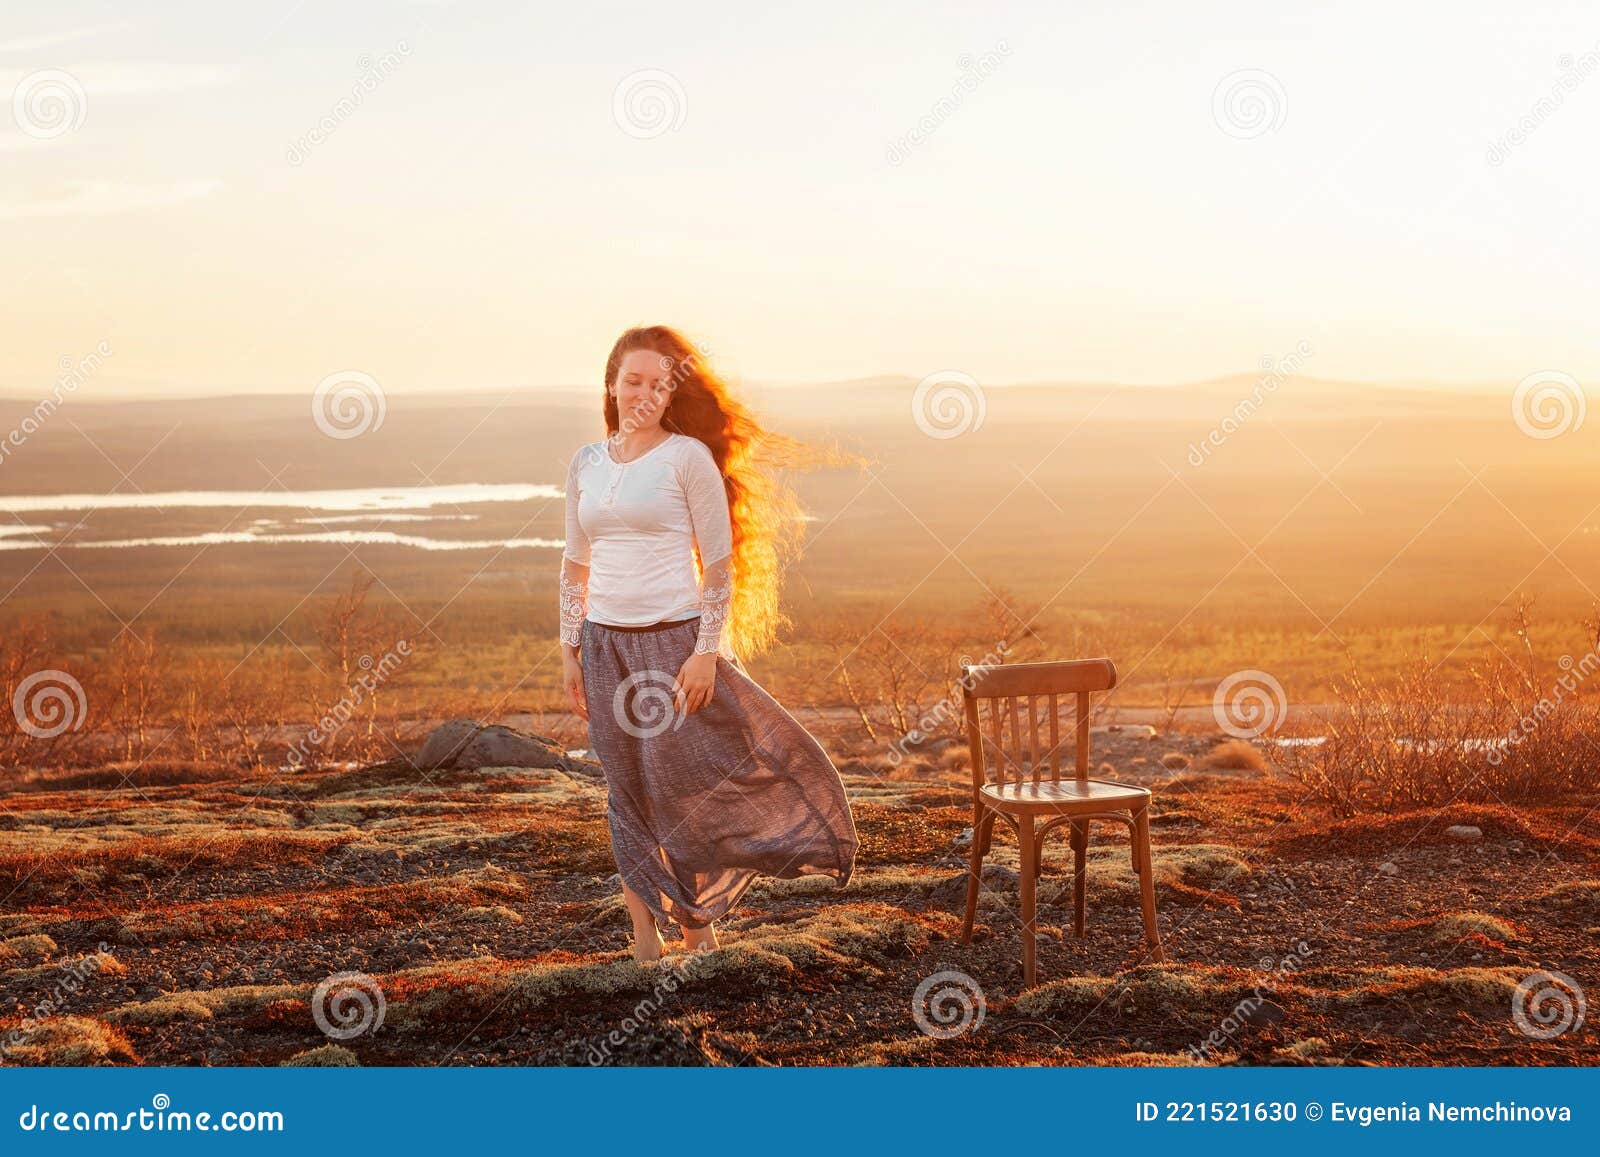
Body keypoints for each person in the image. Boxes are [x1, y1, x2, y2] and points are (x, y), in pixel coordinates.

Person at [559, 325, 859, 964]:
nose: (641, 392)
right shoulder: (585, 463)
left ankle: (698, 929)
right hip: (603, 645)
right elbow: (574, 563)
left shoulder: (687, 457)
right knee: (625, 791)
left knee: (680, 789)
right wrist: (569, 648)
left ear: (671, 393)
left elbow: (718, 566)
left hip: (673, 645)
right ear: (611, 386)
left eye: (656, 383)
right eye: (631, 380)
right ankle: (644, 939)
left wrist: (704, 652)